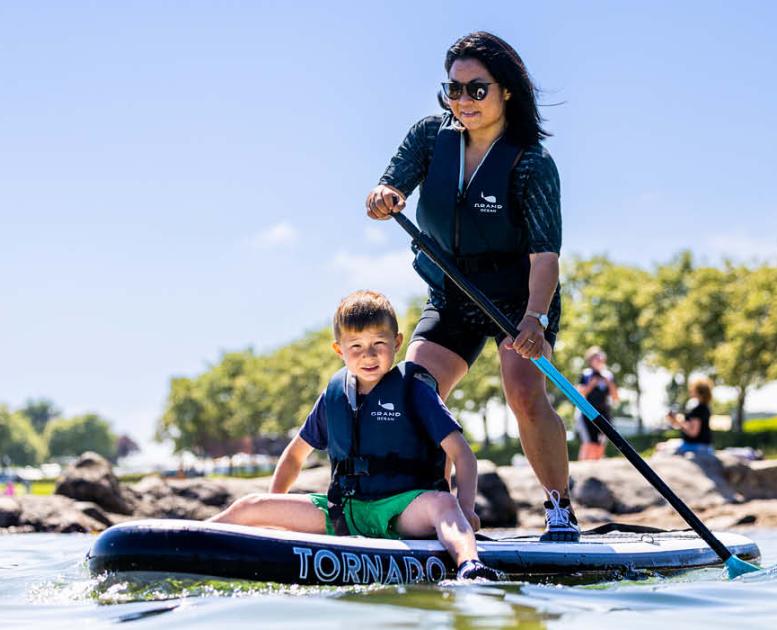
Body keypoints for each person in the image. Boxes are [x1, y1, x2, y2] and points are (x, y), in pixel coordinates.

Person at [365, 32, 578, 541]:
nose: (463, 101)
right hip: (452, 294)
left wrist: (535, 320)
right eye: (453, 90)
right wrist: (383, 195)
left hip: (516, 299)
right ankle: (432, 509)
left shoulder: (531, 163)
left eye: (476, 90)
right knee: (415, 392)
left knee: (524, 393)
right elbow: (390, 183)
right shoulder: (428, 136)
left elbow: (545, 255)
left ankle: (560, 509)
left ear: (506, 90)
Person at [209, 290, 502, 580]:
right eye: (356, 347)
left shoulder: (414, 390)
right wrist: (274, 508)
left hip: (402, 511)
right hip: (344, 511)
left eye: (378, 343)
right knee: (251, 506)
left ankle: (469, 565)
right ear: (339, 351)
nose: (369, 355)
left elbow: (463, 455)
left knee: (444, 504)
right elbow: (295, 457)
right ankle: (180, 540)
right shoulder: (333, 397)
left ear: (397, 343)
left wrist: (465, 508)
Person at [575, 347, 619, 460]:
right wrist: (592, 384)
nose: (599, 360)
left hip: (604, 412)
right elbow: (579, 394)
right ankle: (583, 468)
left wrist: (609, 383)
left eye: (600, 357)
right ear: (590, 360)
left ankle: (596, 467)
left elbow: (615, 397)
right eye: (596, 358)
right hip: (587, 413)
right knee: (589, 442)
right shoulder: (586, 374)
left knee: (601, 442)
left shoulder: (608, 375)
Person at [666, 376, 714, 455]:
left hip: (697, 446)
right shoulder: (703, 408)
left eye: (693, 389)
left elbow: (693, 432)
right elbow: (688, 426)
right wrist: (675, 421)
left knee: (663, 448)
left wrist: (679, 422)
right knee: (667, 444)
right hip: (701, 445)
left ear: (698, 391)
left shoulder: (699, 409)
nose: (690, 391)